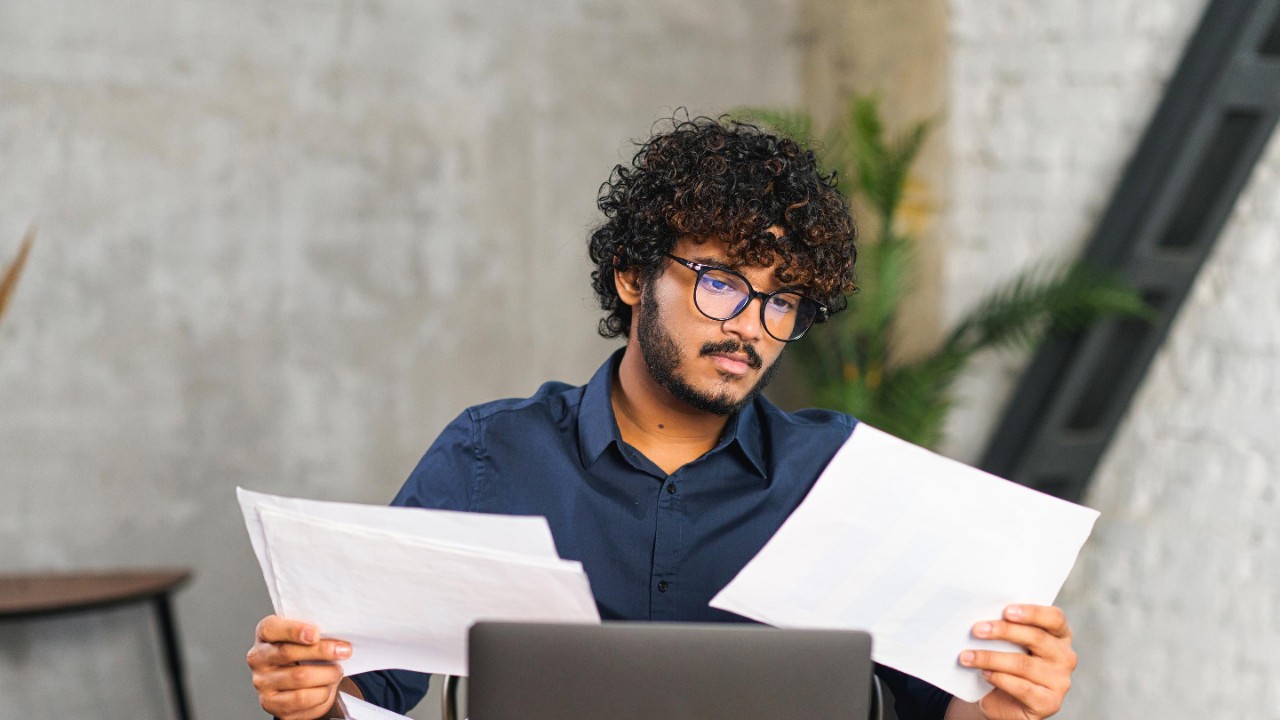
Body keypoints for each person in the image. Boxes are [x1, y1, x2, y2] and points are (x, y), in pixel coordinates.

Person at [247, 116, 1078, 720]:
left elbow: (946, 713)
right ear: (633, 277)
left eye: (782, 300)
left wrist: (1007, 702)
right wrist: (312, 697)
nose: (751, 323)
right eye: (722, 281)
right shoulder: (492, 455)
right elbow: (366, 689)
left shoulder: (842, 478)